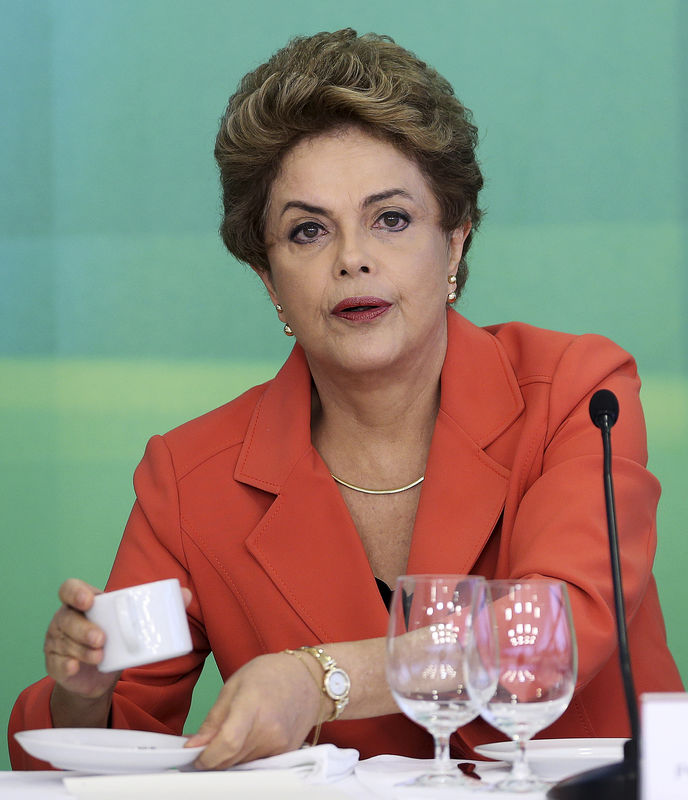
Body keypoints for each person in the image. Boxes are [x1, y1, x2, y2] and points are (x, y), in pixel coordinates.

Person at [9, 28, 683, 771]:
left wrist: (322, 678)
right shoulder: (190, 480)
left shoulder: (577, 392)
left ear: (455, 241)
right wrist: (83, 690)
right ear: (269, 280)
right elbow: (109, 743)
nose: (351, 258)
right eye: (307, 232)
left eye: (390, 218)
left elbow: (552, 634)